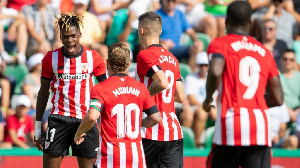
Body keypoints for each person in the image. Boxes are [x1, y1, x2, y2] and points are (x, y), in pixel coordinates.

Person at [203, 1, 284, 168]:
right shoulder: (264, 51)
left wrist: (208, 98)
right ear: (250, 22)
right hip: (259, 126)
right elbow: (279, 98)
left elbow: (216, 71)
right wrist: (255, 104)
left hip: (231, 122)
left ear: (226, 21)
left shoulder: (220, 44)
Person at [34, 13, 107, 168]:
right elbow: (43, 93)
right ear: (60, 36)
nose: (69, 41)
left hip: (86, 120)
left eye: (73, 36)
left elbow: (105, 90)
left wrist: (106, 125)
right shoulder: (50, 59)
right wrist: (37, 127)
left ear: (80, 34)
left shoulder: (93, 57)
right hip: (59, 120)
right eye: (65, 37)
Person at [74, 42, 161, 167]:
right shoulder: (141, 88)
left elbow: (92, 116)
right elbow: (156, 117)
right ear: (128, 64)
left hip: (109, 158)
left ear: (107, 62)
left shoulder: (100, 88)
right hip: (136, 158)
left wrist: (79, 133)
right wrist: (136, 123)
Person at [136, 11, 186, 167]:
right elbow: (181, 97)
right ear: (160, 31)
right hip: (173, 131)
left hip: (150, 130)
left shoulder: (144, 55)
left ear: (141, 30)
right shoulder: (172, 58)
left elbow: (162, 83)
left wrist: (140, 97)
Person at [184, 52, 217, 148]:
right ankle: (197, 144)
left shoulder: (212, 79)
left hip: (209, 107)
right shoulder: (191, 78)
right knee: (201, 113)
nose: (203, 67)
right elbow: (192, 99)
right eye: (201, 65)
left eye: (205, 65)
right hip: (197, 107)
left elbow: (216, 97)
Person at [279, 49, 300, 122]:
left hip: (297, 111)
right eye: (285, 59)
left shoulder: (299, 76)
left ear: (295, 61)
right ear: (281, 60)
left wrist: (297, 112)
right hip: (281, 110)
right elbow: (276, 98)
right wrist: (288, 111)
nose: (288, 62)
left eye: (291, 60)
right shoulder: (275, 76)